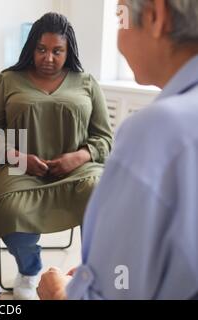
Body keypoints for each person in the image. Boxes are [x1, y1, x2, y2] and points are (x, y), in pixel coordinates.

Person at [37, 0, 198, 300]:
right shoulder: (10, 81)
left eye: (118, 16)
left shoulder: (156, 132)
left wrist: (59, 293)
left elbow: (117, 291)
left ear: (155, 16)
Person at [0, 12, 113, 299]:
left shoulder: (86, 82)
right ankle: (29, 271)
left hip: (77, 169)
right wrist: (20, 157)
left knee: (101, 193)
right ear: (31, 48)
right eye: (41, 49)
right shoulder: (7, 80)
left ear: (69, 51)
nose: (48, 57)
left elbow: (104, 138)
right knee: (11, 210)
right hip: (18, 167)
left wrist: (78, 157)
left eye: (57, 51)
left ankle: (89, 272)